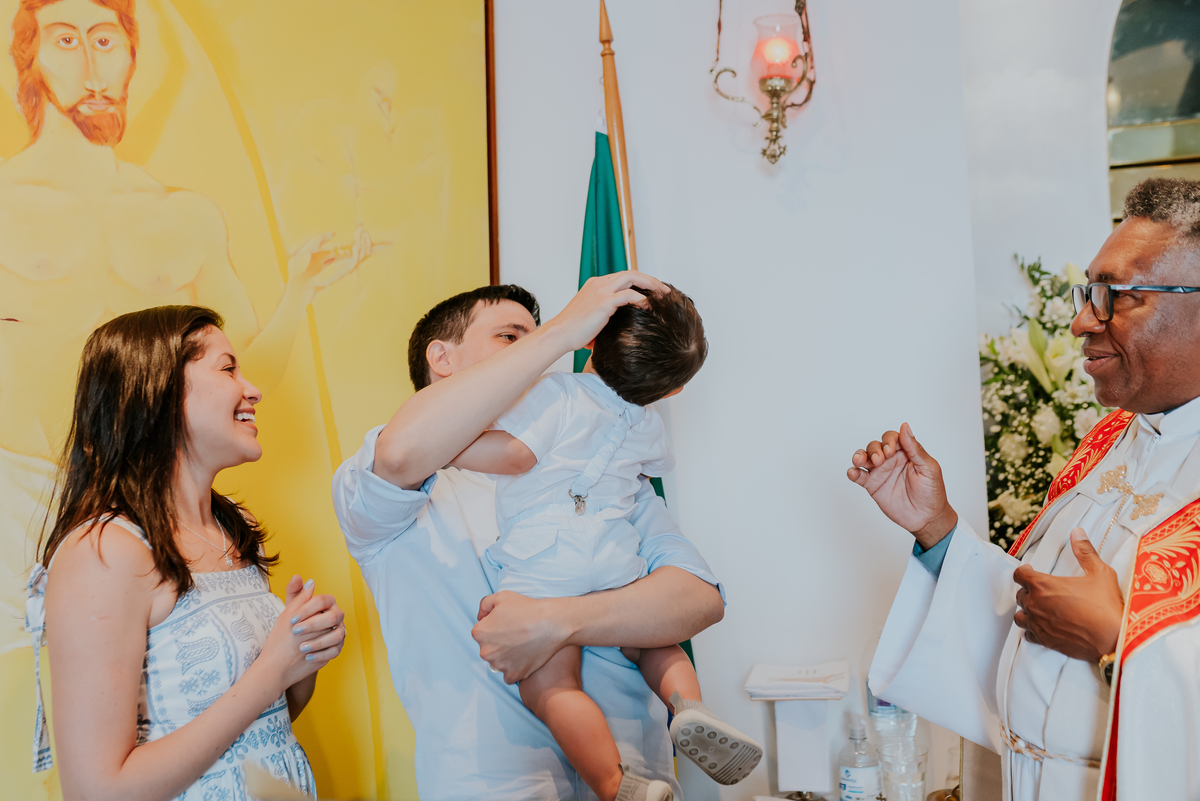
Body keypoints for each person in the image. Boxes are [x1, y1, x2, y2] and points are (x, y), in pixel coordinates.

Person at [0, 0, 371, 652]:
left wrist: (298, 293)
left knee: (180, 679)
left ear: (133, 59)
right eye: (65, 40)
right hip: (17, 493)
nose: (91, 64)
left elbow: (246, 367)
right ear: (29, 59)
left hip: (150, 491)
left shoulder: (187, 216)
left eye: (106, 40)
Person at [848, 177, 1200, 801]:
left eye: (1114, 296)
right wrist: (938, 530)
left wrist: (1115, 642)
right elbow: (1033, 615)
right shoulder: (1109, 442)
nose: (1081, 319)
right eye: (1088, 291)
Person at [331, 274, 727, 800]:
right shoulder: (382, 483)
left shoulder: (601, 475)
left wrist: (552, 623)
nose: (542, 357)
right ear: (442, 359)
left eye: (546, 339)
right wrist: (563, 330)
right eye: (513, 338)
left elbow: (700, 600)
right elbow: (403, 452)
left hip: (648, 783)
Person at [449, 285, 761, 800]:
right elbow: (655, 468)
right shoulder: (650, 423)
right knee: (654, 642)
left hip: (545, 558)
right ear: (672, 392)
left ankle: (617, 785)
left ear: (588, 342)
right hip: (616, 550)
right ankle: (689, 709)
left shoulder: (555, 392)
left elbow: (516, 456)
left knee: (552, 685)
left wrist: (455, 448)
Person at [24, 306, 348, 800]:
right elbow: (97, 791)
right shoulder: (106, 552)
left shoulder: (233, 530)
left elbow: (250, 727)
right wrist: (270, 672)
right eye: (227, 368)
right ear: (161, 393)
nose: (253, 389)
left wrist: (302, 651)